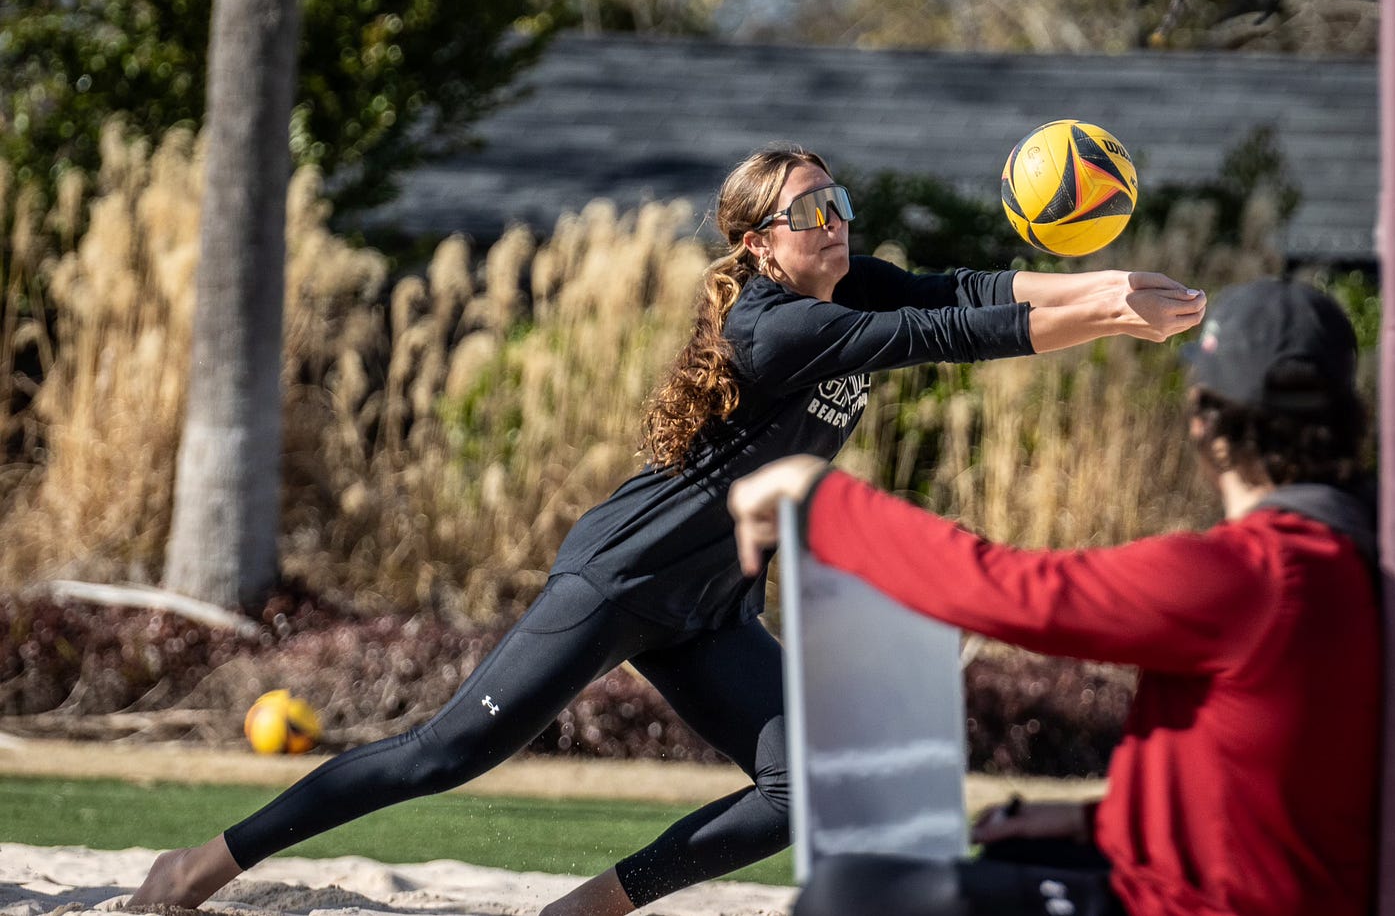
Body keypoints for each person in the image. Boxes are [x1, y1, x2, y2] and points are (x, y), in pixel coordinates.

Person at [130, 145, 1205, 916]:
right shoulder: (773, 325)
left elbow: (962, 286)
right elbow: (943, 331)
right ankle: (203, 862)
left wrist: (1108, 284)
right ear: (758, 243)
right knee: (442, 755)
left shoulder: (843, 285)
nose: (835, 220)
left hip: (708, 604)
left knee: (811, 785)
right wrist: (1105, 312)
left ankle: (594, 905)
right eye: (811, 209)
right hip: (622, 576)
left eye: (839, 200)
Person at [727, 276, 1378, 916]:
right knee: (1013, 862)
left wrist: (820, 499)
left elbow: (1018, 594)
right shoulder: (1344, 565)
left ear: (1207, 424)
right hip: (1250, 891)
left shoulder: (1250, 576)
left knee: (851, 896)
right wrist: (1089, 823)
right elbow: (1260, 796)